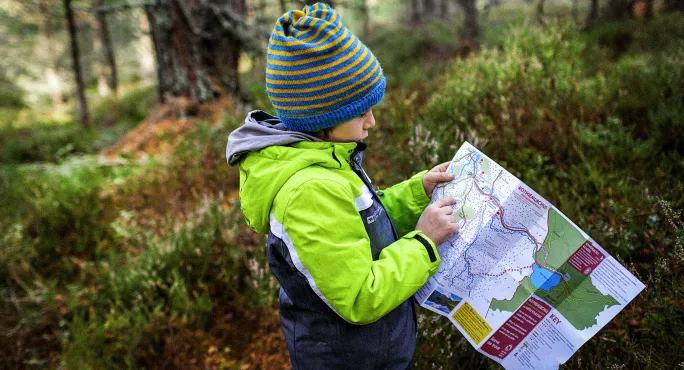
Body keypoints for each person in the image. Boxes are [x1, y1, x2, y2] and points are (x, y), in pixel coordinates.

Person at [226, 3, 459, 368]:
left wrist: (418, 193)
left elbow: (361, 223)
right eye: (361, 111)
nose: (373, 121)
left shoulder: (327, 158)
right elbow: (359, 296)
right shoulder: (309, 190)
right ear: (325, 116)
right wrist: (425, 244)